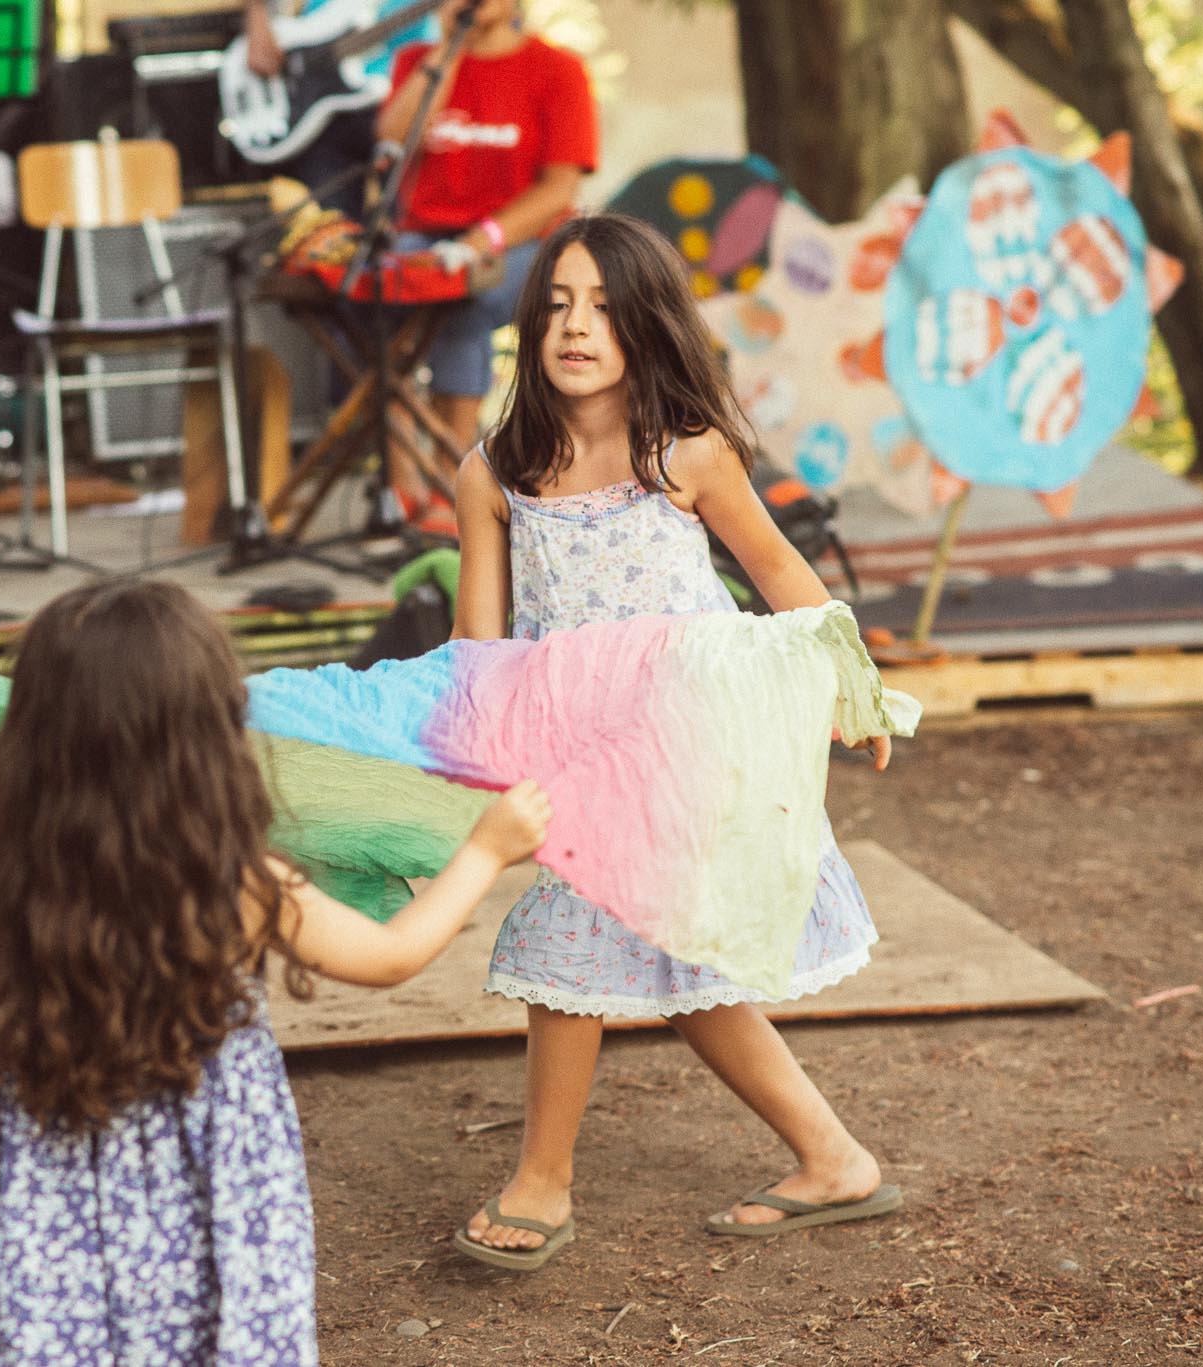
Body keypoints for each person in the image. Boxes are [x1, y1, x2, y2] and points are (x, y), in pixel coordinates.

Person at [0, 579, 550, 1365]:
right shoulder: (234, 886)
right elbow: (389, 956)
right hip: (206, 1172)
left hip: (49, 1160)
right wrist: (485, 850)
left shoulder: (21, 874)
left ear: (35, 740)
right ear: (208, 741)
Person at [448, 214, 903, 1272]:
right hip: (575, 749)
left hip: (691, 742)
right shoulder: (495, 472)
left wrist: (851, 685)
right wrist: (474, 751)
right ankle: (832, 1158)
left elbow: (781, 575)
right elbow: (478, 642)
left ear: (645, 323)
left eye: (602, 307)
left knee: (574, 943)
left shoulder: (683, 452)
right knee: (679, 966)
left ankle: (540, 1180)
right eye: (556, 304)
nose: (574, 326)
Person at [373, 0, 595, 534]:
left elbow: (560, 188)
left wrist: (480, 241)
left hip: (523, 241)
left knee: (464, 302)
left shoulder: (558, 70)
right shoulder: (417, 62)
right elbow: (391, 145)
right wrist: (449, 52)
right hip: (424, 235)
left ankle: (455, 485)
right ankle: (401, 490)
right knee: (380, 307)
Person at [240, 0, 436, 215]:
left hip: (401, 108)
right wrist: (257, 17)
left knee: (405, 224)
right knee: (333, 228)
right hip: (320, 120)